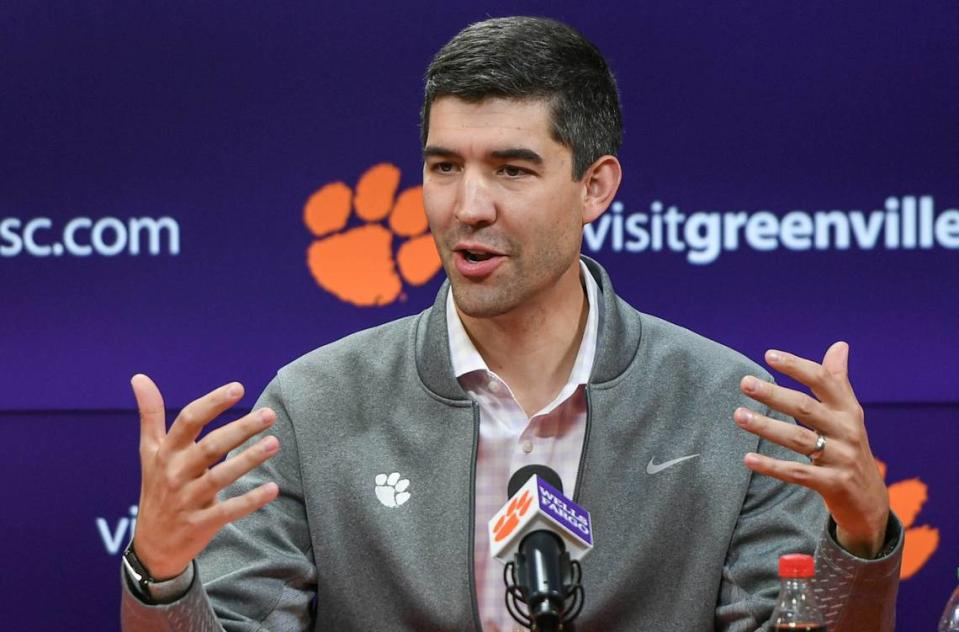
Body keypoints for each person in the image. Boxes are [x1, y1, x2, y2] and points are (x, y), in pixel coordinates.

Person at [121, 16, 902, 631]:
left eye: (511, 169)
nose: (467, 208)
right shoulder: (313, 404)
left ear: (594, 187)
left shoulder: (733, 411)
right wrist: (158, 572)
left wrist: (861, 542)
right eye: (443, 167)